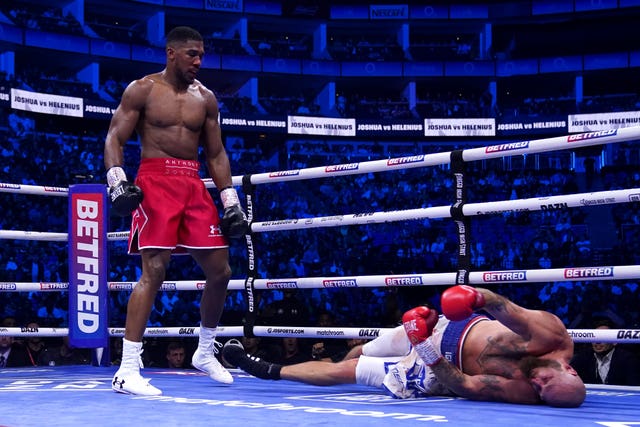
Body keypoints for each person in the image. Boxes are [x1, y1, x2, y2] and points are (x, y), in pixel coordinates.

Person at [104, 26, 248, 396]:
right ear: (171, 53)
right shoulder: (143, 89)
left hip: (193, 184)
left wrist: (229, 200)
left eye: (201, 55)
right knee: (154, 270)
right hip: (154, 182)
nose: (198, 62)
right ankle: (127, 369)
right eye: (191, 55)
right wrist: (117, 182)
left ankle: (204, 351)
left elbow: (215, 153)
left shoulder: (207, 98)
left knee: (221, 270)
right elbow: (114, 138)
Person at [223, 285, 586, 407]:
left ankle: (266, 370)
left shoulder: (526, 392)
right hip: (451, 323)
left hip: (435, 366)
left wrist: (423, 347)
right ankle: (323, 362)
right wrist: (474, 296)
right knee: (362, 351)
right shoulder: (550, 335)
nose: (536, 385)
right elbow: (499, 305)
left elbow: (465, 385)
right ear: (567, 368)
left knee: (349, 372)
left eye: (541, 394)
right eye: (544, 382)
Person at [571, 318, 640, 385]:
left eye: (603, 337)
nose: (597, 342)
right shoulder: (582, 358)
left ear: (614, 341)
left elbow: (634, 388)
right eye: (595, 337)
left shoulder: (628, 359)